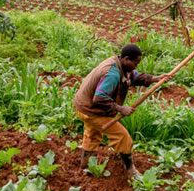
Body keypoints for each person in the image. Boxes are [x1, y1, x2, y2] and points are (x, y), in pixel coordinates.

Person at [73, 43, 171, 179]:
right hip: (91, 110)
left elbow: (133, 76)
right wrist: (120, 108)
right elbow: (99, 98)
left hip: (82, 106)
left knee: (92, 134)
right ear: (126, 59)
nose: (136, 67)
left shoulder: (120, 64)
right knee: (122, 137)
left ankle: (83, 164)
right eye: (135, 63)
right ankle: (130, 171)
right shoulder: (112, 74)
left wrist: (155, 78)